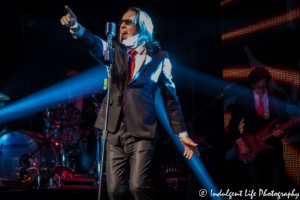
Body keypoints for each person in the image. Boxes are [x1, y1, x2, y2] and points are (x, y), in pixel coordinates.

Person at [60, 6, 199, 200]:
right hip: (114, 129)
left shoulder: (160, 58)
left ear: (142, 27)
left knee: (137, 188)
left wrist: (182, 134)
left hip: (142, 131)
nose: (122, 26)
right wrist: (76, 27)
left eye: (128, 22)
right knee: (115, 190)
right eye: (120, 23)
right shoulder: (114, 51)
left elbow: (171, 99)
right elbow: (93, 44)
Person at [228, 66, 288, 197]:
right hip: (252, 147)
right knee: (255, 189)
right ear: (251, 84)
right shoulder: (243, 98)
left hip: (273, 148)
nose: (261, 90)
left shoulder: (278, 96)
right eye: (257, 87)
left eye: (264, 87)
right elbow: (232, 126)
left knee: (278, 188)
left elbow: (285, 120)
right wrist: (240, 142)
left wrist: (282, 130)